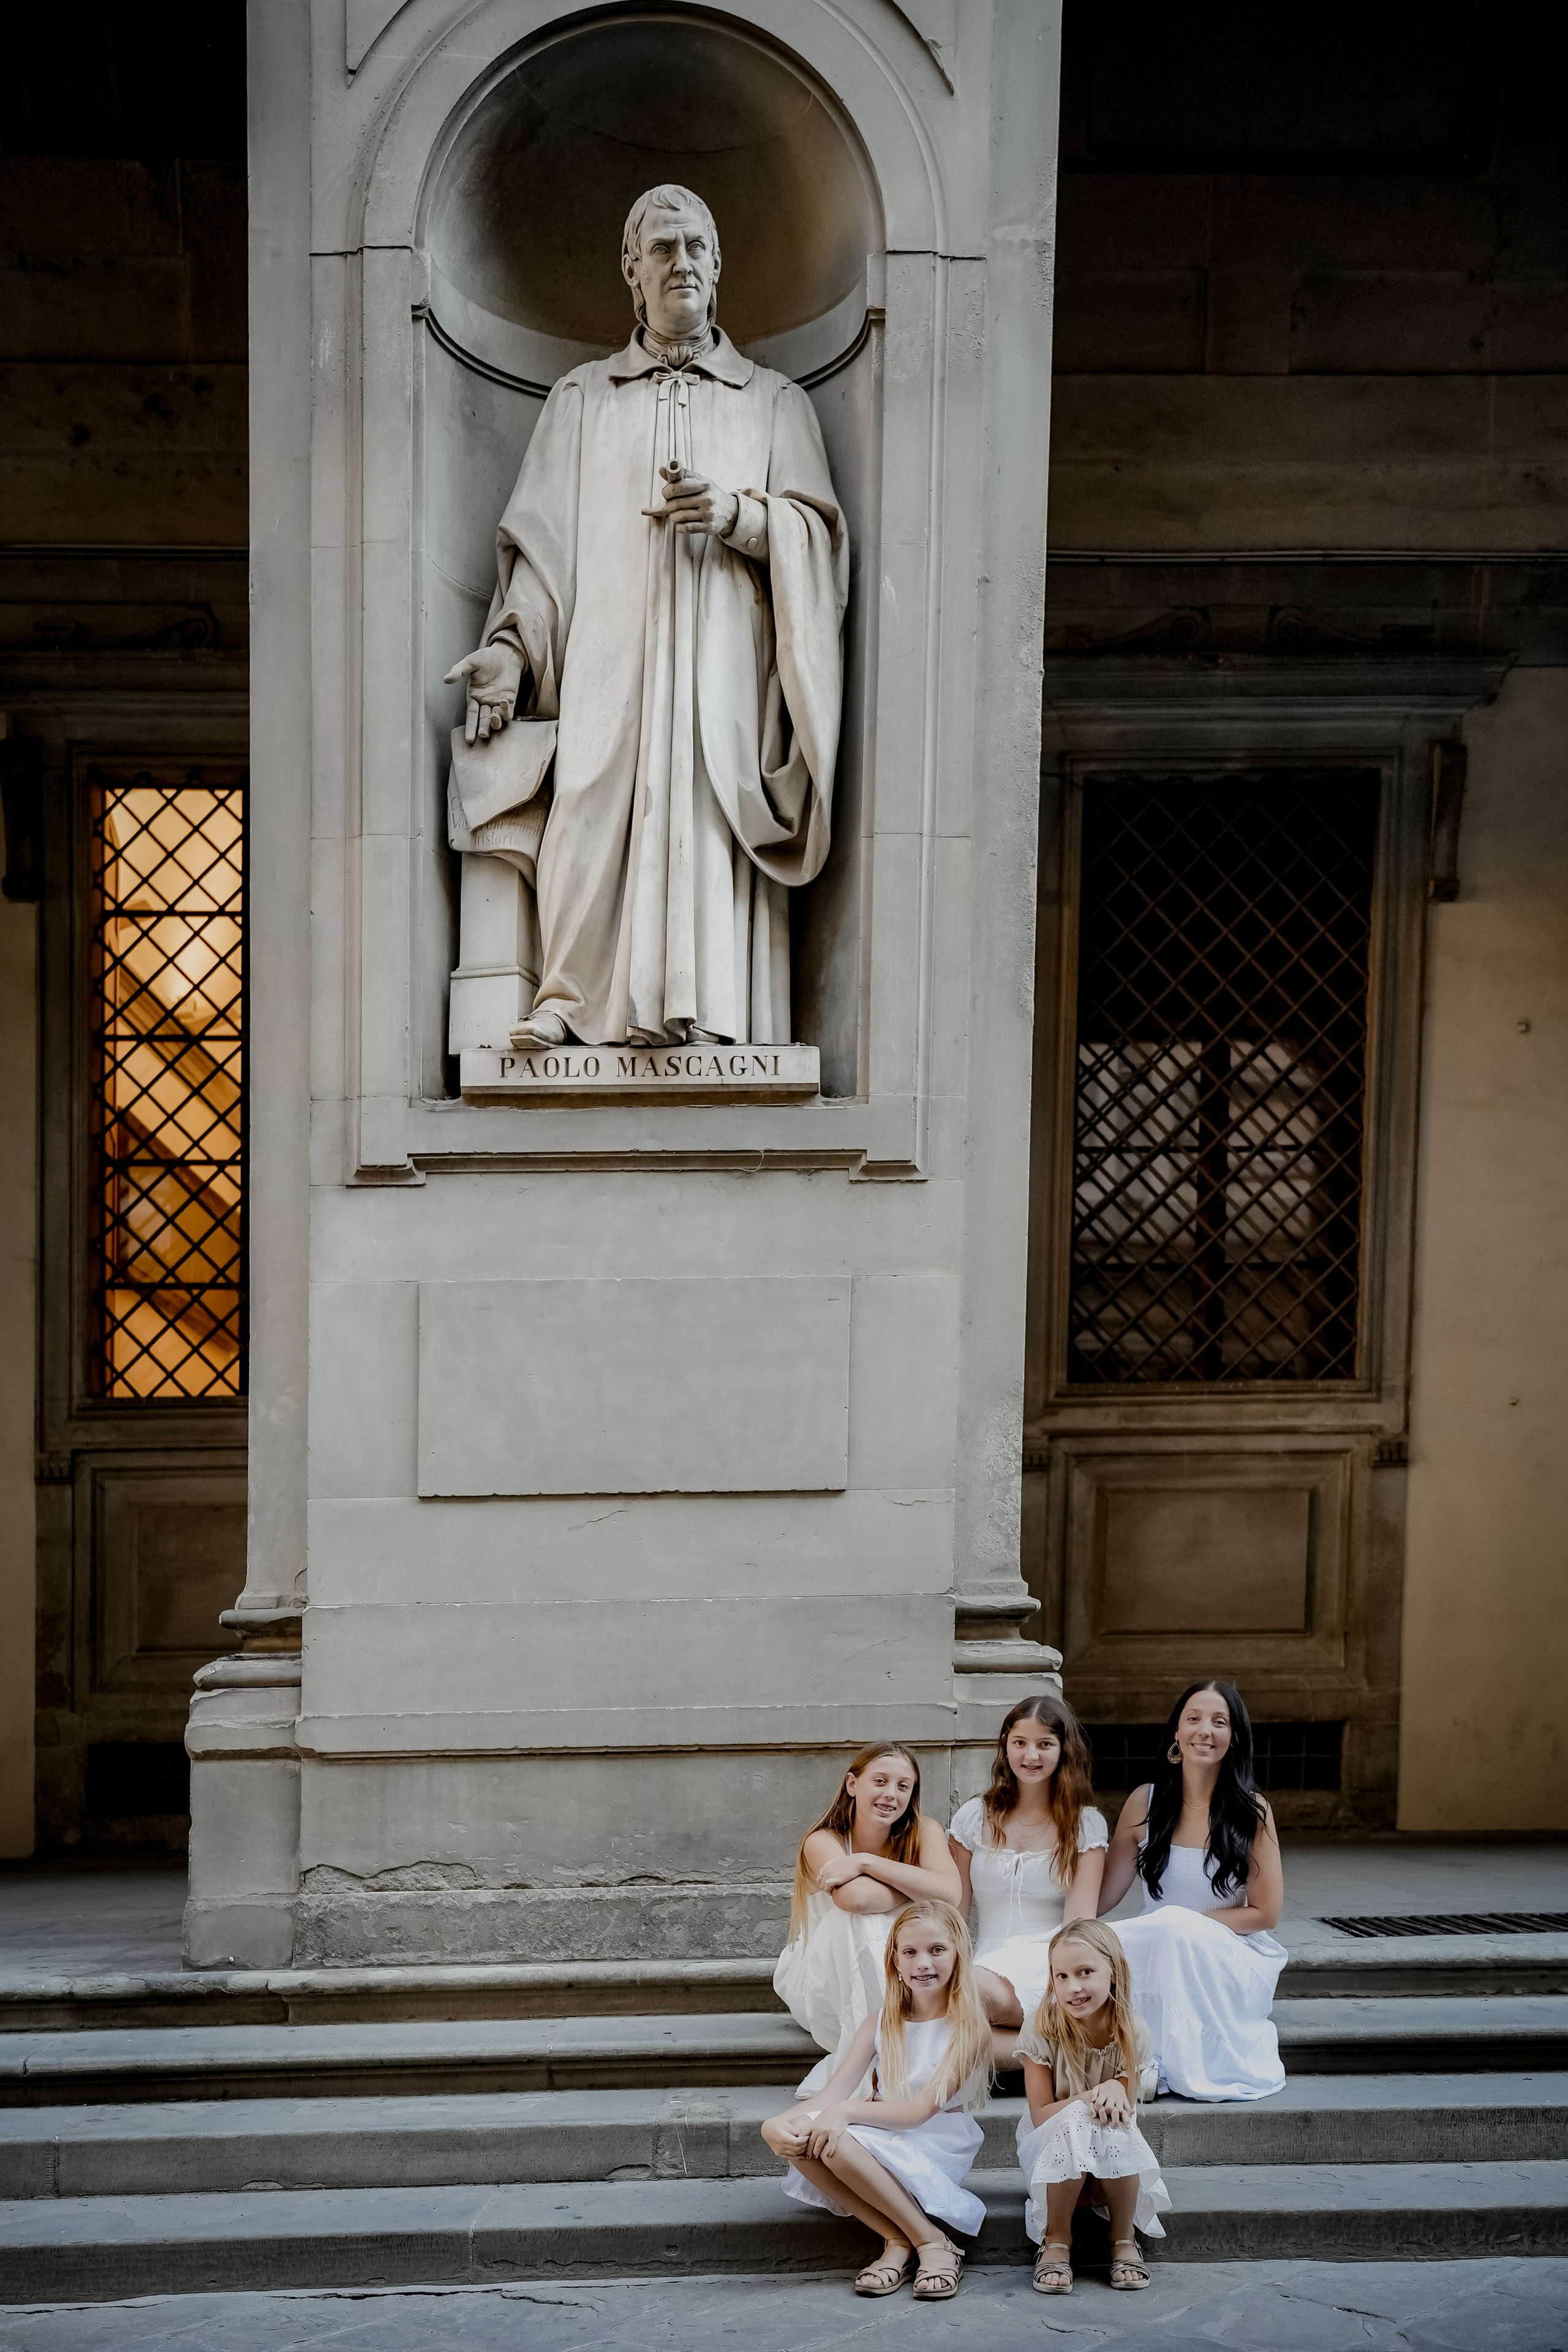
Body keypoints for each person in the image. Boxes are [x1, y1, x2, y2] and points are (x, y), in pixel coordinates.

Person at [443, 183, 846, 1050]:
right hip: (606, 658)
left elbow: (818, 536)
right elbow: (541, 555)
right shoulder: (581, 401)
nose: (682, 264)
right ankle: (571, 998)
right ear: (632, 274)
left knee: (703, 811)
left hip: (723, 669)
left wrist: (740, 517)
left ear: (720, 265)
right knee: (589, 798)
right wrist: (511, 654)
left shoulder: (774, 402)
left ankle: (717, 1012)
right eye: (661, 250)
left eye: (697, 246)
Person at [762, 1899, 992, 2300]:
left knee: (833, 2136)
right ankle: (897, 2238)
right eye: (911, 1952)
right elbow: (833, 2092)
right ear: (896, 1961)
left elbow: (919, 2112)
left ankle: (931, 2242)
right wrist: (773, 2126)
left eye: (937, 1950)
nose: (924, 1962)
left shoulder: (969, 2029)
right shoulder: (880, 2021)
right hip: (881, 2130)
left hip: (934, 2138)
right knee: (802, 2135)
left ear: (959, 1955)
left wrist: (846, 2111)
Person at [1098, 1679, 1287, 2101]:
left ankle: (1156, 2063)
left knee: (1170, 1933)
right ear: (1176, 1735)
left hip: (1229, 1950)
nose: (1207, 1730)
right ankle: (1139, 2057)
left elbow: (1265, 1913)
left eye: (1220, 1722)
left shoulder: (1252, 1810)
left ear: (1234, 1738)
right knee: (1104, 1946)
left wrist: (1185, 1926)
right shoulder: (1144, 1802)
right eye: (1195, 1719)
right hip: (1159, 1941)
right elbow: (1103, 1898)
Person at [774, 1744, 962, 2094]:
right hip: (825, 1985)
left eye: (904, 1786)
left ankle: (901, 2055)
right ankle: (879, 2069)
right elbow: (856, 1899)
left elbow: (951, 1894)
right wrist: (921, 1885)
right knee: (855, 1921)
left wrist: (866, 1864)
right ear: (852, 1784)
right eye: (880, 1781)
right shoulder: (823, 1841)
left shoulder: (924, 1831)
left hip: (905, 1978)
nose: (891, 1794)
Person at [947, 1695, 1108, 2058]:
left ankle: (1062, 2042)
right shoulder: (974, 1817)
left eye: (1045, 1744)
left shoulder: (1085, 1825)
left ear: (1064, 1750)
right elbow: (954, 1913)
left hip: (1047, 1964)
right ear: (1006, 1746)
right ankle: (1065, 2055)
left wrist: (1070, 1983)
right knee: (948, 2019)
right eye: (1020, 1743)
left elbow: (1079, 1928)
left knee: (956, 1996)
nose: (1030, 1756)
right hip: (986, 1964)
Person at [1017, 1919, 1170, 2294]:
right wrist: (1088, 2097)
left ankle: (1122, 2237)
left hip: (1109, 2166)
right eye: (1062, 1976)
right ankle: (1056, 2240)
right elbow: (1040, 2114)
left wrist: (1115, 2089)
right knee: (1082, 2115)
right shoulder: (1042, 2028)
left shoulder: (1132, 2031)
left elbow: (1124, 2107)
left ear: (1113, 1972)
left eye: (1086, 1972)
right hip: (1050, 2155)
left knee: (1112, 2117)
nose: (1074, 1987)